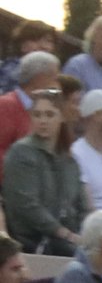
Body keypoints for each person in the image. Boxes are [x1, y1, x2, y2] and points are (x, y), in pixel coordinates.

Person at [3, 90, 86, 255]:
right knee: (80, 255)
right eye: (37, 115)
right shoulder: (21, 152)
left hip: (67, 237)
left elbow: (81, 205)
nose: (43, 121)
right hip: (33, 240)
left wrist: (84, 233)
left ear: (62, 117)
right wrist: (64, 233)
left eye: (49, 115)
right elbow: (27, 206)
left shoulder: (69, 161)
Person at [0, 51, 61, 185]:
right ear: (40, 78)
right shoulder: (5, 106)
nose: (58, 84)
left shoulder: (45, 108)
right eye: (55, 78)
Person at [0, 20, 54, 96]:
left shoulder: (50, 76)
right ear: (22, 44)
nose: (44, 46)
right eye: (35, 40)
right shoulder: (12, 69)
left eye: (48, 41)